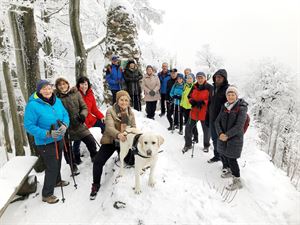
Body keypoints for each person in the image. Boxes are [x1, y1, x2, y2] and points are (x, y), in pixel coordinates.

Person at [24, 80, 70, 204]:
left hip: (59, 138)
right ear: (39, 90)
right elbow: (28, 125)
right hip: (45, 142)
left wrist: (65, 125)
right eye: (44, 88)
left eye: (49, 88)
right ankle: (47, 194)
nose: (47, 91)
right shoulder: (33, 105)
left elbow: (65, 114)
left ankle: (56, 181)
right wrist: (47, 133)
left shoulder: (57, 100)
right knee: (52, 166)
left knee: (58, 161)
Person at [90, 90, 136, 200]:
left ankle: (121, 155)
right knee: (98, 161)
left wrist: (131, 137)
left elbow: (134, 127)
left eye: (126, 100)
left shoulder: (130, 113)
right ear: (117, 100)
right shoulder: (110, 111)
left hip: (124, 142)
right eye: (121, 100)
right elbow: (109, 127)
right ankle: (95, 184)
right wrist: (118, 134)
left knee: (131, 161)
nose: (124, 102)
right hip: (111, 140)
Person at [55, 77, 97, 165]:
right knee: (67, 149)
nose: (62, 86)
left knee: (91, 141)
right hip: (66, 127)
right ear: (57, 87)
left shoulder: (76, 93)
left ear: (67, 84)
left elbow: (84, 107)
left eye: (64, 84)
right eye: (60, 85)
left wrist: (83, 115)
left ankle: (94, 157)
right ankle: (72, 165)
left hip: (79, 124)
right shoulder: (56, 99)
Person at [215, 85, 248, 190]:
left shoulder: (241, 108)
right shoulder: (224, 106)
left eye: (232, 94)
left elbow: (239, 126)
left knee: (232, 159)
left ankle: (237, 180)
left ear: (236, 95)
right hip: (223, 137)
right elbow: (217, 122)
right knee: (224, 154)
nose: (230, 96)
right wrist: (220, 133)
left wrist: (227, 135)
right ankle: (229, 171)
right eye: (228, 94)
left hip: (234, 138)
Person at [73, 76, 105, 164]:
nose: (84, 86)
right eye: (82, 84)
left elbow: (94, 109)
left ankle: (105, 142)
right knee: (77, 139)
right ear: (78, 85)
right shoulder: (75, 95)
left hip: (90, 119)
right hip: (80, 122)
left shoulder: (90, 94)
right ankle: (76, 157)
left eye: (86, 84)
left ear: (88, 85)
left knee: (104, 124)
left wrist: (101, 116)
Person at [182, 72, 212, 153]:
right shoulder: (194, 86)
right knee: (188, 128)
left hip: (204, 112)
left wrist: (203, 102)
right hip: (194, 111)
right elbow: (189, 96)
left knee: (206, 130)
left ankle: (206, 145)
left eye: (201, 77)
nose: (200, 79)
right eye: (198, 78)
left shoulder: (209, 87)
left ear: (205, 78)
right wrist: (192, 102)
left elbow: (211, 99)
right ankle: (188, 144)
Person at [206, 69, 229, 163]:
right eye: (216, 77)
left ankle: (225, 162)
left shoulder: (227, 89)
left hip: (221, 121)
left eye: (220, 77)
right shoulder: (213, 88)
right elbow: (210, 103)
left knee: (221, 141)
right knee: (214, 139)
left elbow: (229, 105)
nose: (217, 79)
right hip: (212, 118)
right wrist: (207, 117)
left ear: (224, 78)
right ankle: (217, 156)